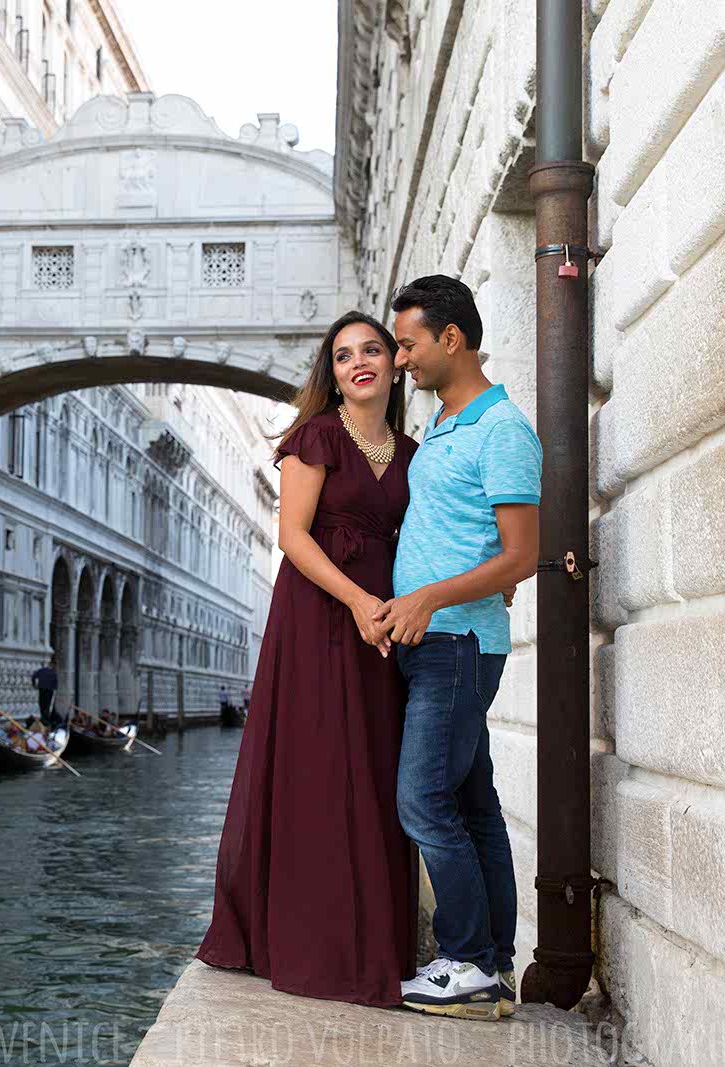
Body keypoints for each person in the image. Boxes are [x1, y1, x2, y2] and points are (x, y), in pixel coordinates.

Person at [195, 311, 419, 1007]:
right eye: (345, 353)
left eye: (372, 349)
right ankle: (311, 939)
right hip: (322, 612)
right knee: (322, 763)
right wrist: (356, 600)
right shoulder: (316, 436)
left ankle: (375, 936)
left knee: (378, 765)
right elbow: (292, 535)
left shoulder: (411, 453)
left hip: (382, 617)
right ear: (334, 370)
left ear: (391, 362)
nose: (359, 362)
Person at [376, 276, 541, 1021]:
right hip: (434, 643)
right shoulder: (445, 424)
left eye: (408, 342)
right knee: (473, 806)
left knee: (421, 798)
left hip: (458, 644)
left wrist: (429, 596)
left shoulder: (501, 428)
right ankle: (494, 965)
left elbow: (522, 556)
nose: (400, 356)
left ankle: (466, 960)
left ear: (451, 338)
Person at [32, 658, 60, 726]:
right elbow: (56, 684)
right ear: (53, 665)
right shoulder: (54, 673)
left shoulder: (42, 670)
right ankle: (46, 720)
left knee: (42, 704)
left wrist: (34, 685)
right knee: (47, 705)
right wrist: (55, 690)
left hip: (41, 689)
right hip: (49, 690)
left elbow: (34, 676)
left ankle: (44, 718)